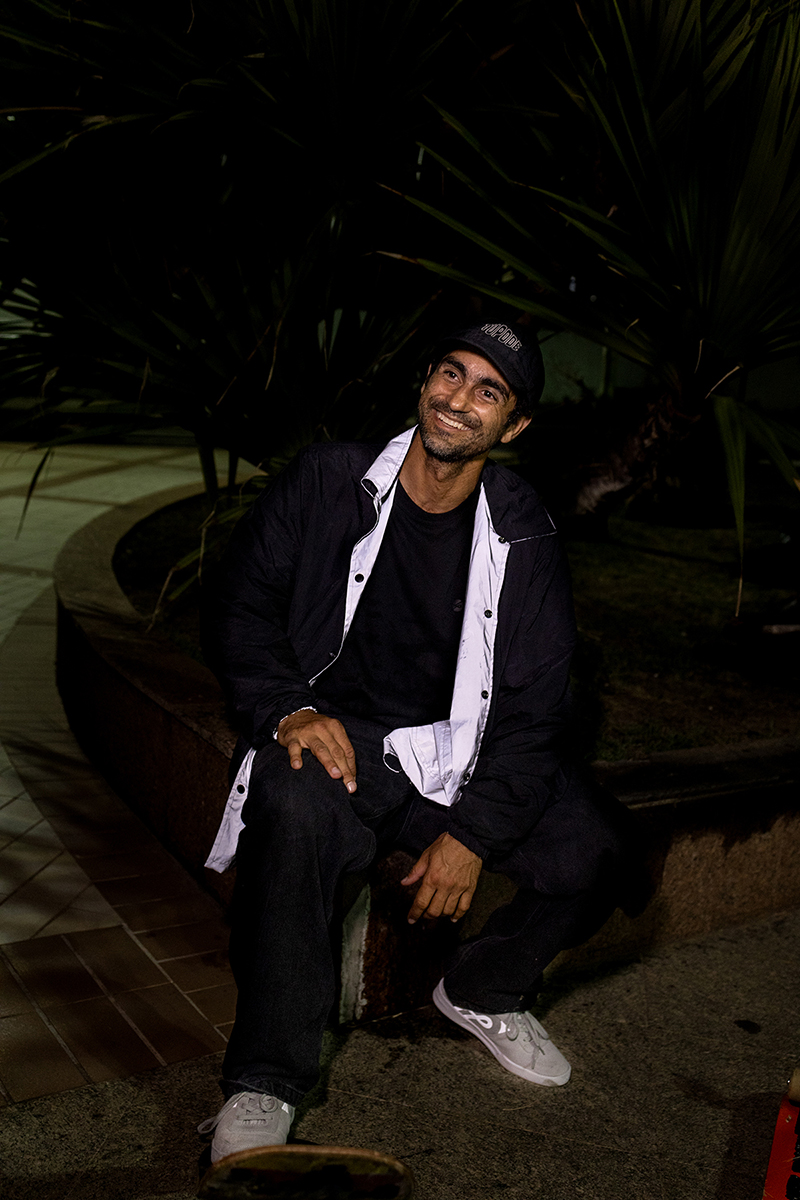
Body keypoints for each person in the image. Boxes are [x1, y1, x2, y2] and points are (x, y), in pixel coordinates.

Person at [198, 320, 639, 1163]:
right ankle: (266, 1081)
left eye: (488, 391)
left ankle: (483, 988)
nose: (459, 398)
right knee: (292, 804)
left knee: (598, 846)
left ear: (513, 426)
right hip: (342, 742)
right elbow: (239, 605)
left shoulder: (522, 528)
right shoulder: (329, 480)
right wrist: (288, 707)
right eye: (451, 372)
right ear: (426, 379)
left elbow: (536, 706)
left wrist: (472, 834)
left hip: (457, 749)